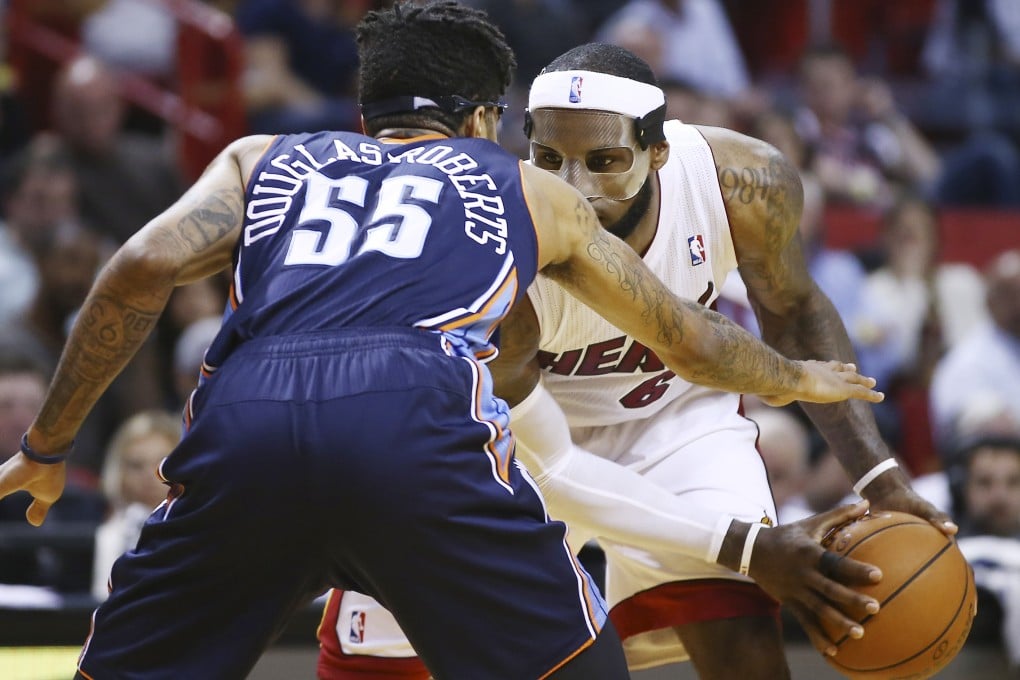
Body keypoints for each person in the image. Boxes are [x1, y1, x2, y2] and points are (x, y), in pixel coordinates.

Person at [0, 4, 886, 679]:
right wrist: (794, 376)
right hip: (412, 426)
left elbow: (135, 272)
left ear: (363, 113)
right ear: (481, 121)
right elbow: (689, 338)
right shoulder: (521, 186)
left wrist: (48, 445)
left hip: (245, 423)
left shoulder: (260, 157)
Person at [318, 42, 954, 680]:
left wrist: (880, 479)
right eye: (549, 159)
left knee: (741, 640)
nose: (576, 187)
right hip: (531, 439)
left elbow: (791, 312)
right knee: (386, 658)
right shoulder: (499, 233)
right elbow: (555, 464)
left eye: (605, 161)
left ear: (659, 150)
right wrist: (751, 545)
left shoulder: (740, 181)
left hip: (675, 423)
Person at [91, 409, 181, 601]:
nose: (149, 476)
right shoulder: (92, 533)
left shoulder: (205, 533)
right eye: (136, 465)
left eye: (161, 464)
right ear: (118, 473)